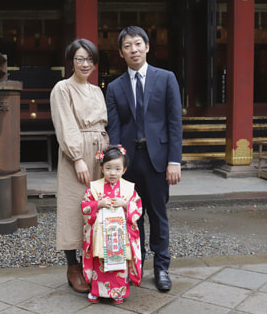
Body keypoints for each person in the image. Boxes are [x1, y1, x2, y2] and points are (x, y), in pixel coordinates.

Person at [105, 26, 182, 292]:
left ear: (147, 47)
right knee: (131, 218)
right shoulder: (114, 87)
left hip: (158, 160)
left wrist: (175, 161)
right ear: (120, 53)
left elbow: (174, 122)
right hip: (128, 163)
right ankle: (134, 266)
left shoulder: (166, 78)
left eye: (138, 44)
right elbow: (114, 128)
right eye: (127, 46)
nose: (133, 50)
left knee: (159, 217)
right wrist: (114, 166)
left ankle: (161, 269)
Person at [50, 38, 109, 293]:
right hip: (78, 151)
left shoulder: (96, 89)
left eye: (89, 59)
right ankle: (72, 266)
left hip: (100, 151)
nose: (85, 64)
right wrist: (77, 158)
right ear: (71, 61)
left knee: (97, 206)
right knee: (74, 205)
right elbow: (65, 124)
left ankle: (92, 263)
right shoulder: (63, 88)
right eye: (79, 59)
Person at [81, 145, 142, 304]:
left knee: (119, 261)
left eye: (117, 169)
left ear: (124, 169)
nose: (112, 173)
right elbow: (85, 206)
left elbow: (138, 208)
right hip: (101, 234)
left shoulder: (129, 189)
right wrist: (99, 204)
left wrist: (125, 204)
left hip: (119, 234)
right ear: (101, 168)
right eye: (108, 168)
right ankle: (96, 290)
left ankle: (118, 291)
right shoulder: (95, 187)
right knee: (100, 259)